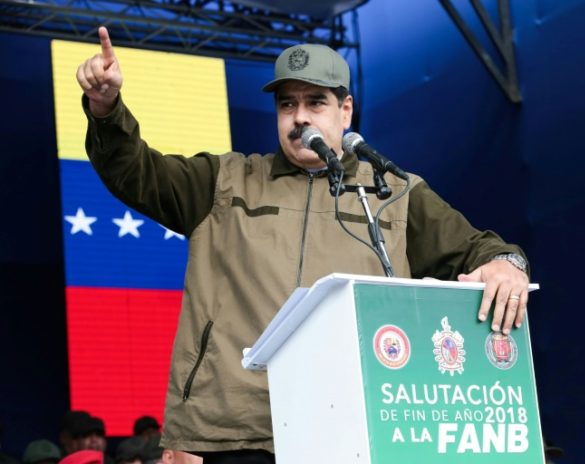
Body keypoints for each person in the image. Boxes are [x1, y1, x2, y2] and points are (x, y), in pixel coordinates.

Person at [76, 26, 531, 462]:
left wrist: (505, 263)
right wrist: (106, 108)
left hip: (350, 425)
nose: (299, 117)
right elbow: (135, 173)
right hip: (237, 431)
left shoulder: (394, 192)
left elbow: (476, 248)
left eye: (316, 102)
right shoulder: (225, 180)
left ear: (346, 111)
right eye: (287, 104)